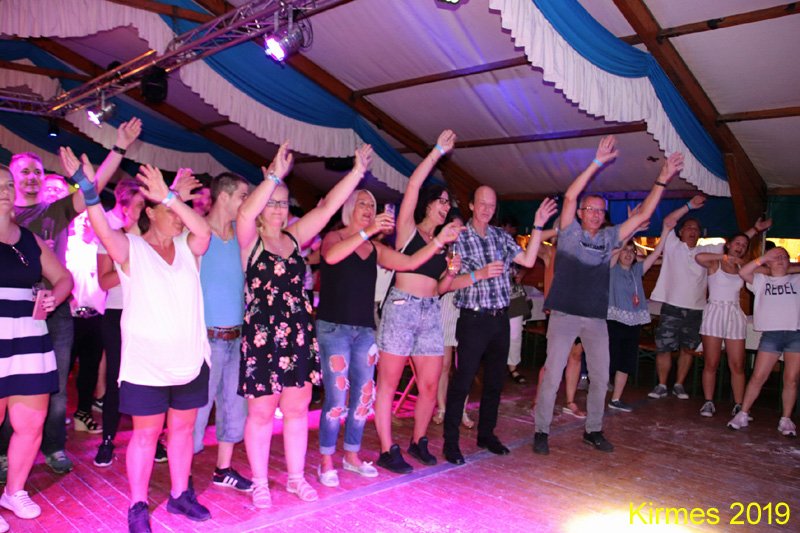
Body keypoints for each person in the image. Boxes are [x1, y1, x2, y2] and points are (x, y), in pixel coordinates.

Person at [0, 118, 141, 477]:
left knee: (55, 384)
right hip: (10, 312)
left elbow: (92, 188)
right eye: (24, 172)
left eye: (37, 171)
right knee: (7, 386)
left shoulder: (52, 212)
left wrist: (119, 148)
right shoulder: (7, 217)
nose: (32, 177)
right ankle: (4, 453)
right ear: (10, 179)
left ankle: (53, 447)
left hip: (55, 309)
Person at [236, 142, 373, 508]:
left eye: (283, 202)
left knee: (297, 411)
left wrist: (357, 173)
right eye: (272, 202)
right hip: (263, 337)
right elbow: (246, 213)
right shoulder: (250, 240)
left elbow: (327, 209)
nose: (278, 208)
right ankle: (260, 483)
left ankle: (296, 478)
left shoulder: (295, 238)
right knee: (261, 414)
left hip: (297, 334)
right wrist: (273, 176)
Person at [82, 155, 213, 532]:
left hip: (190, 360)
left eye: (182, 209)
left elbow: (203, 230)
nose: (180, 216)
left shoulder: (189, 246)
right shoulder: (131, 249)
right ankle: (138, 504)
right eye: (170, 210)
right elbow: (102, 229)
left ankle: (179, 494)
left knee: (183, 432)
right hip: (146, 366)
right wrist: (89, 190)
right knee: (145, 435)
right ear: (151, 214)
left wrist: (171, 198)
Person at [533, 136, 680, 456]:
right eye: (591, 210)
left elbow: (642, 216)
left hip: (596, 318)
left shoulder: (610, 237)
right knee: (553, 374)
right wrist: (597, 162)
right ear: (581, 213)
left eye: (601, 211)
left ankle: (593, 430)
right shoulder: (569, 233)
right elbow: (570, 195)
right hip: (564, 314)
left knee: (601, 376)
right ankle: (541, 430)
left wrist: (662, 179)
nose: (597, 214)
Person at [316, 187, 461, 482]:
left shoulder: (375, 249)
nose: (369, 209)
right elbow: (331, 257)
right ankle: (326, 461)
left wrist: (438, 243)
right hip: (334, 328)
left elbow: (410, 263)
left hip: (364, 329)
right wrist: (367, 231)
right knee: (337, 398)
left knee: (363, 397)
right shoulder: (336, 237)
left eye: (372, 205)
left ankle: (352, 455)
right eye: (363, 204)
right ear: (349, 209)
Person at [373, 130, 469, 473]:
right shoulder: (408, 230)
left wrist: (451, 273)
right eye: (441, 201)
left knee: (430, 383)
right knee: (388, 382)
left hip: (430, 311)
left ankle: (419, 440)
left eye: (448, 204)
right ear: (428, 203)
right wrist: (437, 151)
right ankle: (387, 448)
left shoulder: (442, 243)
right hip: (402, 307)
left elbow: (441, 288)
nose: (445, 208)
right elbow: (413, 184)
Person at [442, 187, 557, 465]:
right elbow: (448, 284)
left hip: (499, 319)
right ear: (471, 205)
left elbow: (528, 260)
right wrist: (478, 274)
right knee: (463, 381)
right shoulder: (458, 237)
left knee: (495, 381)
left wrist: (538, 226)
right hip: (473, 318)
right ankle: (450, 442)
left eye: (491, 205)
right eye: (481, 204)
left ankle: (486, 434)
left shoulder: (501, 236)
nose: (486, 209)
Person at [0, 164, 72, 530]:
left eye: (7, 184)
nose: (5, 190)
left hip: (29, 337)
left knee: (30, 423)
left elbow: (64, 278)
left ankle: (14, 491)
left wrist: (54, 297)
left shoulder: (30, 239)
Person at [648, 201, 769, 401]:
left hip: (697, 308)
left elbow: (736, 244)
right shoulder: (672, 244)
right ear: (680, 232)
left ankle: (679, 384)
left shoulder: (708, 249)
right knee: (664, 347)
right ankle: (661, 384)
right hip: (672, 305)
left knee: (688, 349)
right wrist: (689, 205)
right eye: (688, 228)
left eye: (696, 229)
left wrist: (755, 230)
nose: (692, 231)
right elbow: (669, 220)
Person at [192, 172, 253, 492]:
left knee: (234, 407)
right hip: (206, 337)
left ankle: (223, 469)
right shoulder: (198, 235)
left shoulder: (242, 238)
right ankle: (183, 477)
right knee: (196, 410)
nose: (247, 203)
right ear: (225, 196)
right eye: (243, 196)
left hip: (237, 337)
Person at [93, 178, 146, 468]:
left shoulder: (152, 239)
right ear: (124, 208)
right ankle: (107, 440)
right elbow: (103, 282)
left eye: (145, 205)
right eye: (138, 205)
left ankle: (152, 438)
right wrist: (131, 265)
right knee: (117, 378)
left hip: (147, 313)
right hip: (117, 313)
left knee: (149, 379)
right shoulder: (110, 238)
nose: (143, 209)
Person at [728, 247, 799, 437]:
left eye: (784, 257)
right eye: (776, 257)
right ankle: (743, 413)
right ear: (768, 261)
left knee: (791, 379)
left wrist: (789, 266)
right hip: (771, 334)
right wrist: (764, 258)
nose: (780, 259)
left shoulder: (797, 279)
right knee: (758, 376)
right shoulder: (761, 280)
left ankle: (786, 419)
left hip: (796, 334)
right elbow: (743, 272)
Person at [606, 220, 670, 412]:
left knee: (626, 362)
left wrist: (665, 230)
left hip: (633, 323)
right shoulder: (611, 268)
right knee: (608, 360)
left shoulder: (637, 270)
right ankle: (597, 394)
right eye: (625, 250)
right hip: (613, 321)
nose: (628, 254)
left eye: (632, 251)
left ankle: (616, 399)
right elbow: (615, 249)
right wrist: (632, 229)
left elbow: (656, 254)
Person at [694, 234, 752, 417]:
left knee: (738, 364)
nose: (740, 247)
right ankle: (708, 402)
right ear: (729, 245)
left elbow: (762, 270)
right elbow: (699, 257)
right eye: (737, 243)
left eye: (744, 245)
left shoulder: (742, 267)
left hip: (734, 312)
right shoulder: (715, 263)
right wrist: (724, 257)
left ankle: (739, 405)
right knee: (711, 362)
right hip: (715, 311)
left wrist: (743, 262)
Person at [433, 214, 474, 429]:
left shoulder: (472, 253)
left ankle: (461, 410)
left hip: (465, 311)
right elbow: (436, 283)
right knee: (444, 365)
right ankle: (441, 408)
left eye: (461, 228)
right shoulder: (439, 251)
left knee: (464, 366)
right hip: (445, 309)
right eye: (454, 227)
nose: (458, 232)